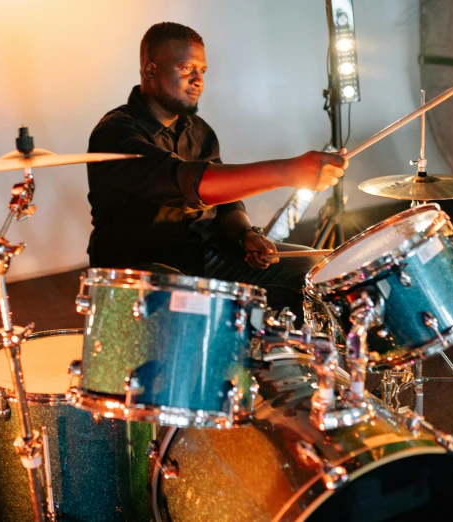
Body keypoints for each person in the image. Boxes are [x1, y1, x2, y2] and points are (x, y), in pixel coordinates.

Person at [86, 22, 347, 323]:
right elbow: (187, 183)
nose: (198, 80)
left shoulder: (199, 131)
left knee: (315, 270)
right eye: (186, 69)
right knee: (188, 300)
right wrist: (288, 171)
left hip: (204, 255)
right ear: (149, 70)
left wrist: (246, 234)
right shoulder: (115, 133)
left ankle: (295, 363)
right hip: (139, 265)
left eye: (203, 71)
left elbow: (227, 203)